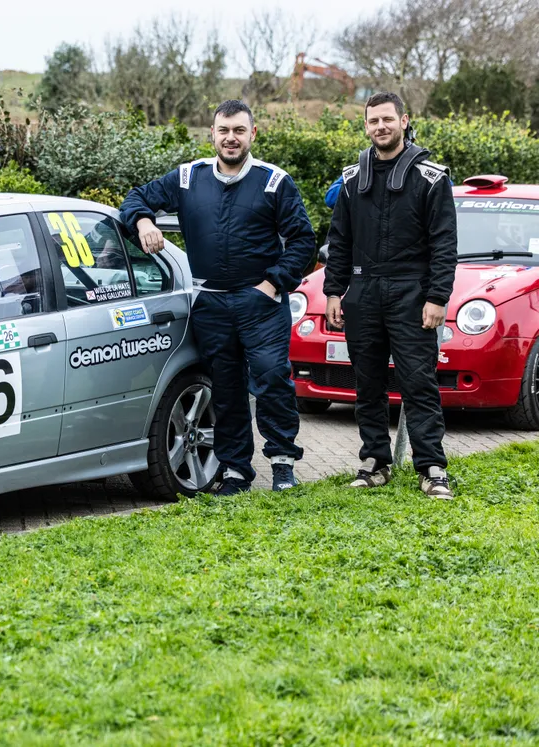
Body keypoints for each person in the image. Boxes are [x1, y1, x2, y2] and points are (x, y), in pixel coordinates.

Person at [119, 100, 317, 495]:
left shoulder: (274, 182)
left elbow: (303, 240)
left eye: (239, 130)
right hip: (210, 305)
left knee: (272, 379)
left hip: (261, 304)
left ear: (252, 134)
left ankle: (282, 464)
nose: (231, 138)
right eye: (224, 130)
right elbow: (135, 198)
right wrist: (142, 221)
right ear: (212, 134)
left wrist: (272, 285)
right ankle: (236, 471)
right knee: (225, 389)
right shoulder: (187, 178)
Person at [323, 91, 458, 499]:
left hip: (412, 294)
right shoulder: (351, 180)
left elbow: (444, 244)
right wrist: (333, 291)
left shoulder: (431, 178)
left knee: (418, 383)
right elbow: (339, 240)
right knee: (367, 383)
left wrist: (437, 297)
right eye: (373, 121)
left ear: (404, 120)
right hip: (363, 292)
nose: (380, 127)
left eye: (387, 119)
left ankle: (431, 467)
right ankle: (375, 462)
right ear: (365, 126)